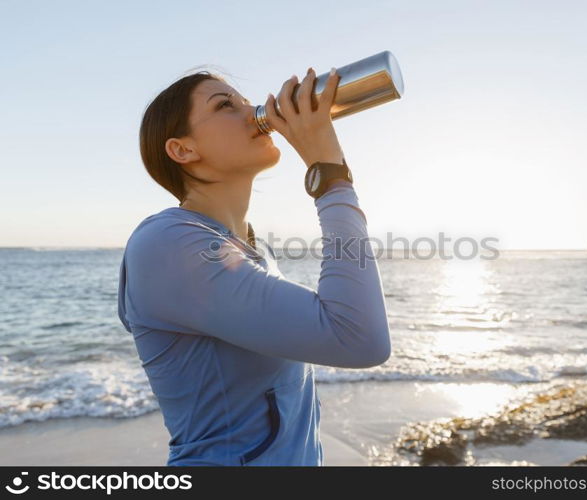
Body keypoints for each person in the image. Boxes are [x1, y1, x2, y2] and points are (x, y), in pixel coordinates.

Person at [117, 66, 392, 466]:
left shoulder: (247, 250)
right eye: (226, 105)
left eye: (247, 102)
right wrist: (328, 171)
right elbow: (359, 337)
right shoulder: (166, 243)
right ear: (183, 150)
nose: (254, 112)